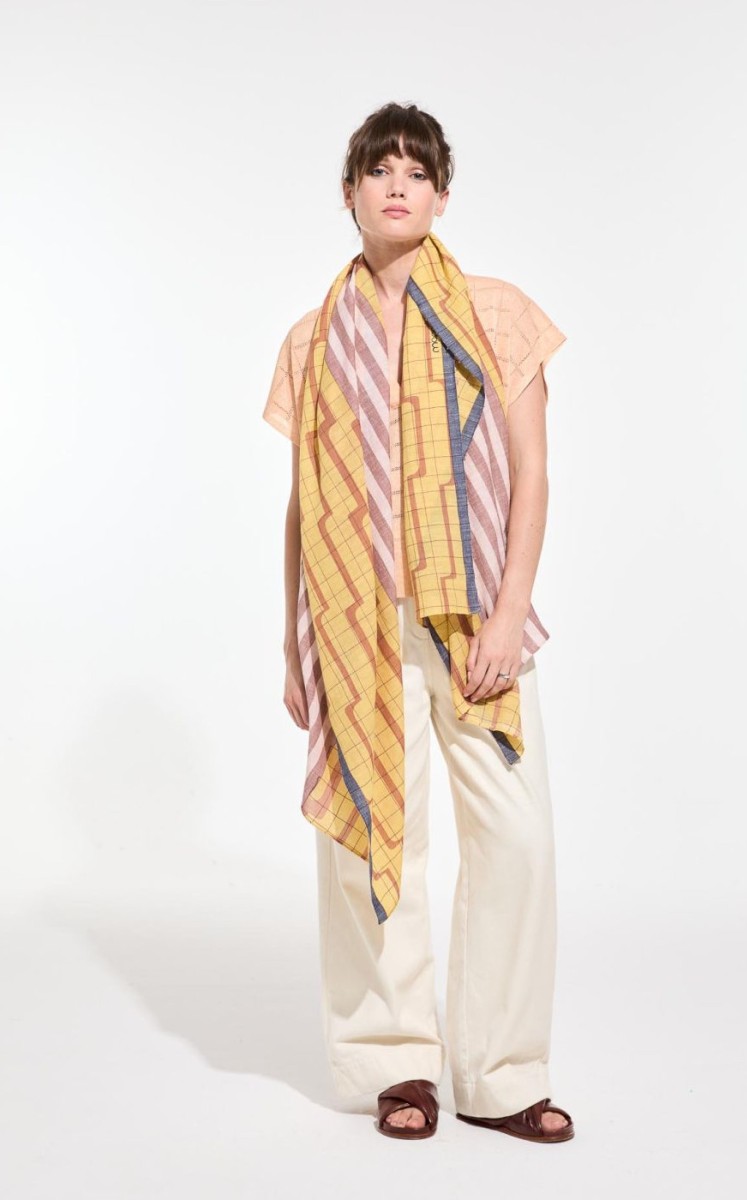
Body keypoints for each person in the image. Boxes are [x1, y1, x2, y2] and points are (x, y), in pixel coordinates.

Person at [263, 102, 574, 1144]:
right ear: (349, 193)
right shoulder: (312, 339)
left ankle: (500, 1071)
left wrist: (509, 609)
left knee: (515, 839)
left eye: (415, 171)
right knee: (368, 843)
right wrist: (291, 640)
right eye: (377, 169)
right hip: (352, 621)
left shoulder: (494, 312)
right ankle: (396, 1064)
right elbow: (304, 503)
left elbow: (531, 472)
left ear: (441, 196)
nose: (396, 185)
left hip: (471, 610)